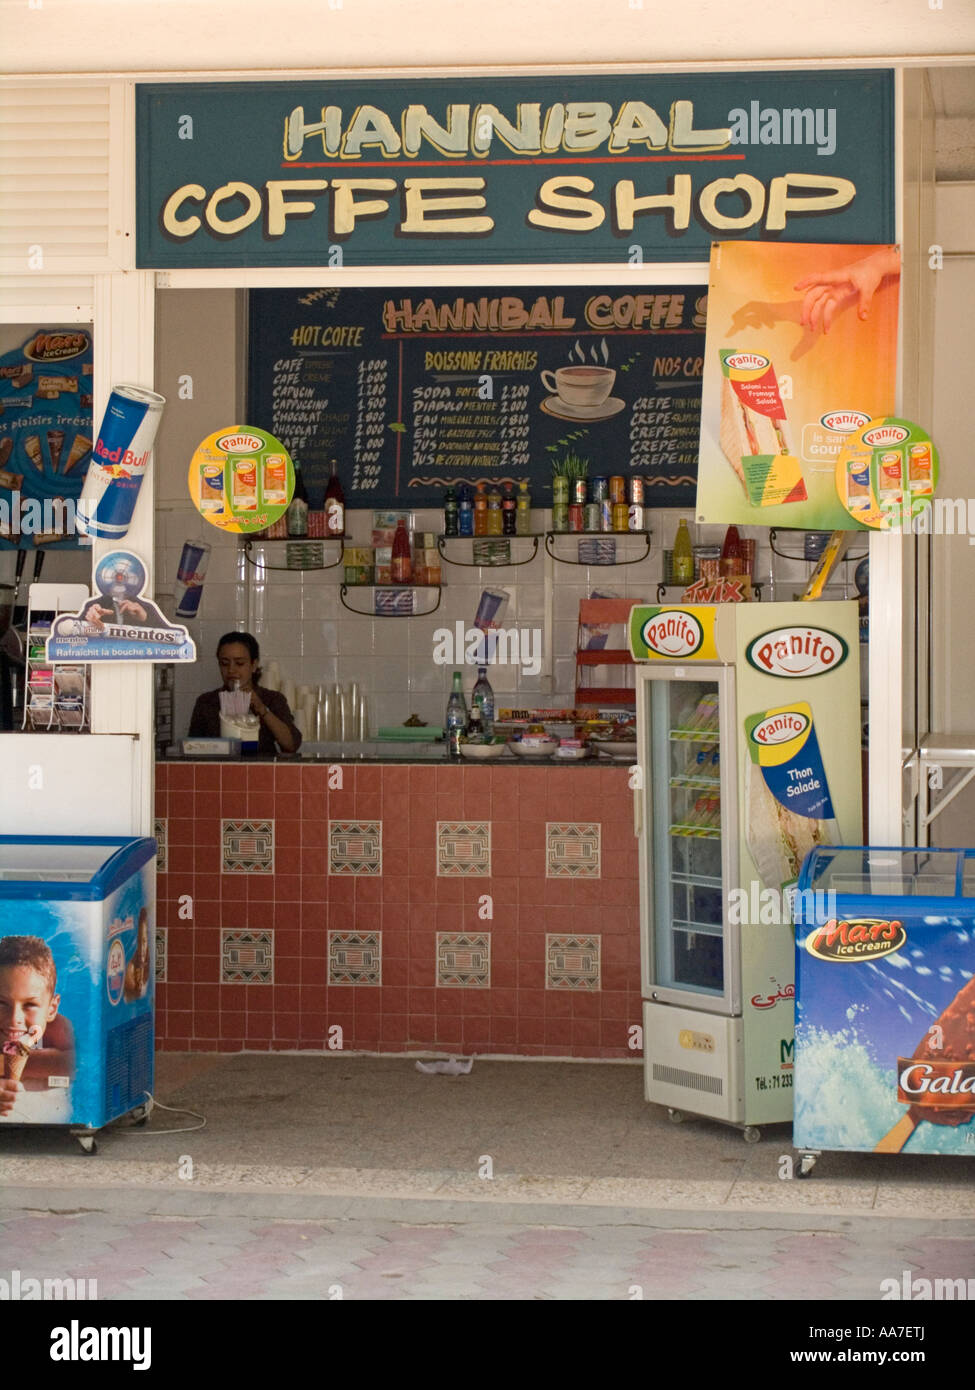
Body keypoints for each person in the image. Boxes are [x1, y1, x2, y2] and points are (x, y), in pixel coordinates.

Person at [188, 631, 301, 755]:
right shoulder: (207, 702)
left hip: (261, 771)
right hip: (219, 771)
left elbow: (291, 745)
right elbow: (192, 748)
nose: (231, 670)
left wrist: (263, 710)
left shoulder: (272, 699)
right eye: (225, 663)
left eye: (239, 663)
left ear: (253, 665)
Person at [0, 935, 75, 1122]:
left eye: (30, 1005)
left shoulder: (57, 1028)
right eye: (1, 1003)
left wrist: (16, 1062)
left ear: (51, 1008)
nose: (14, 1019)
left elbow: (79, 1063)